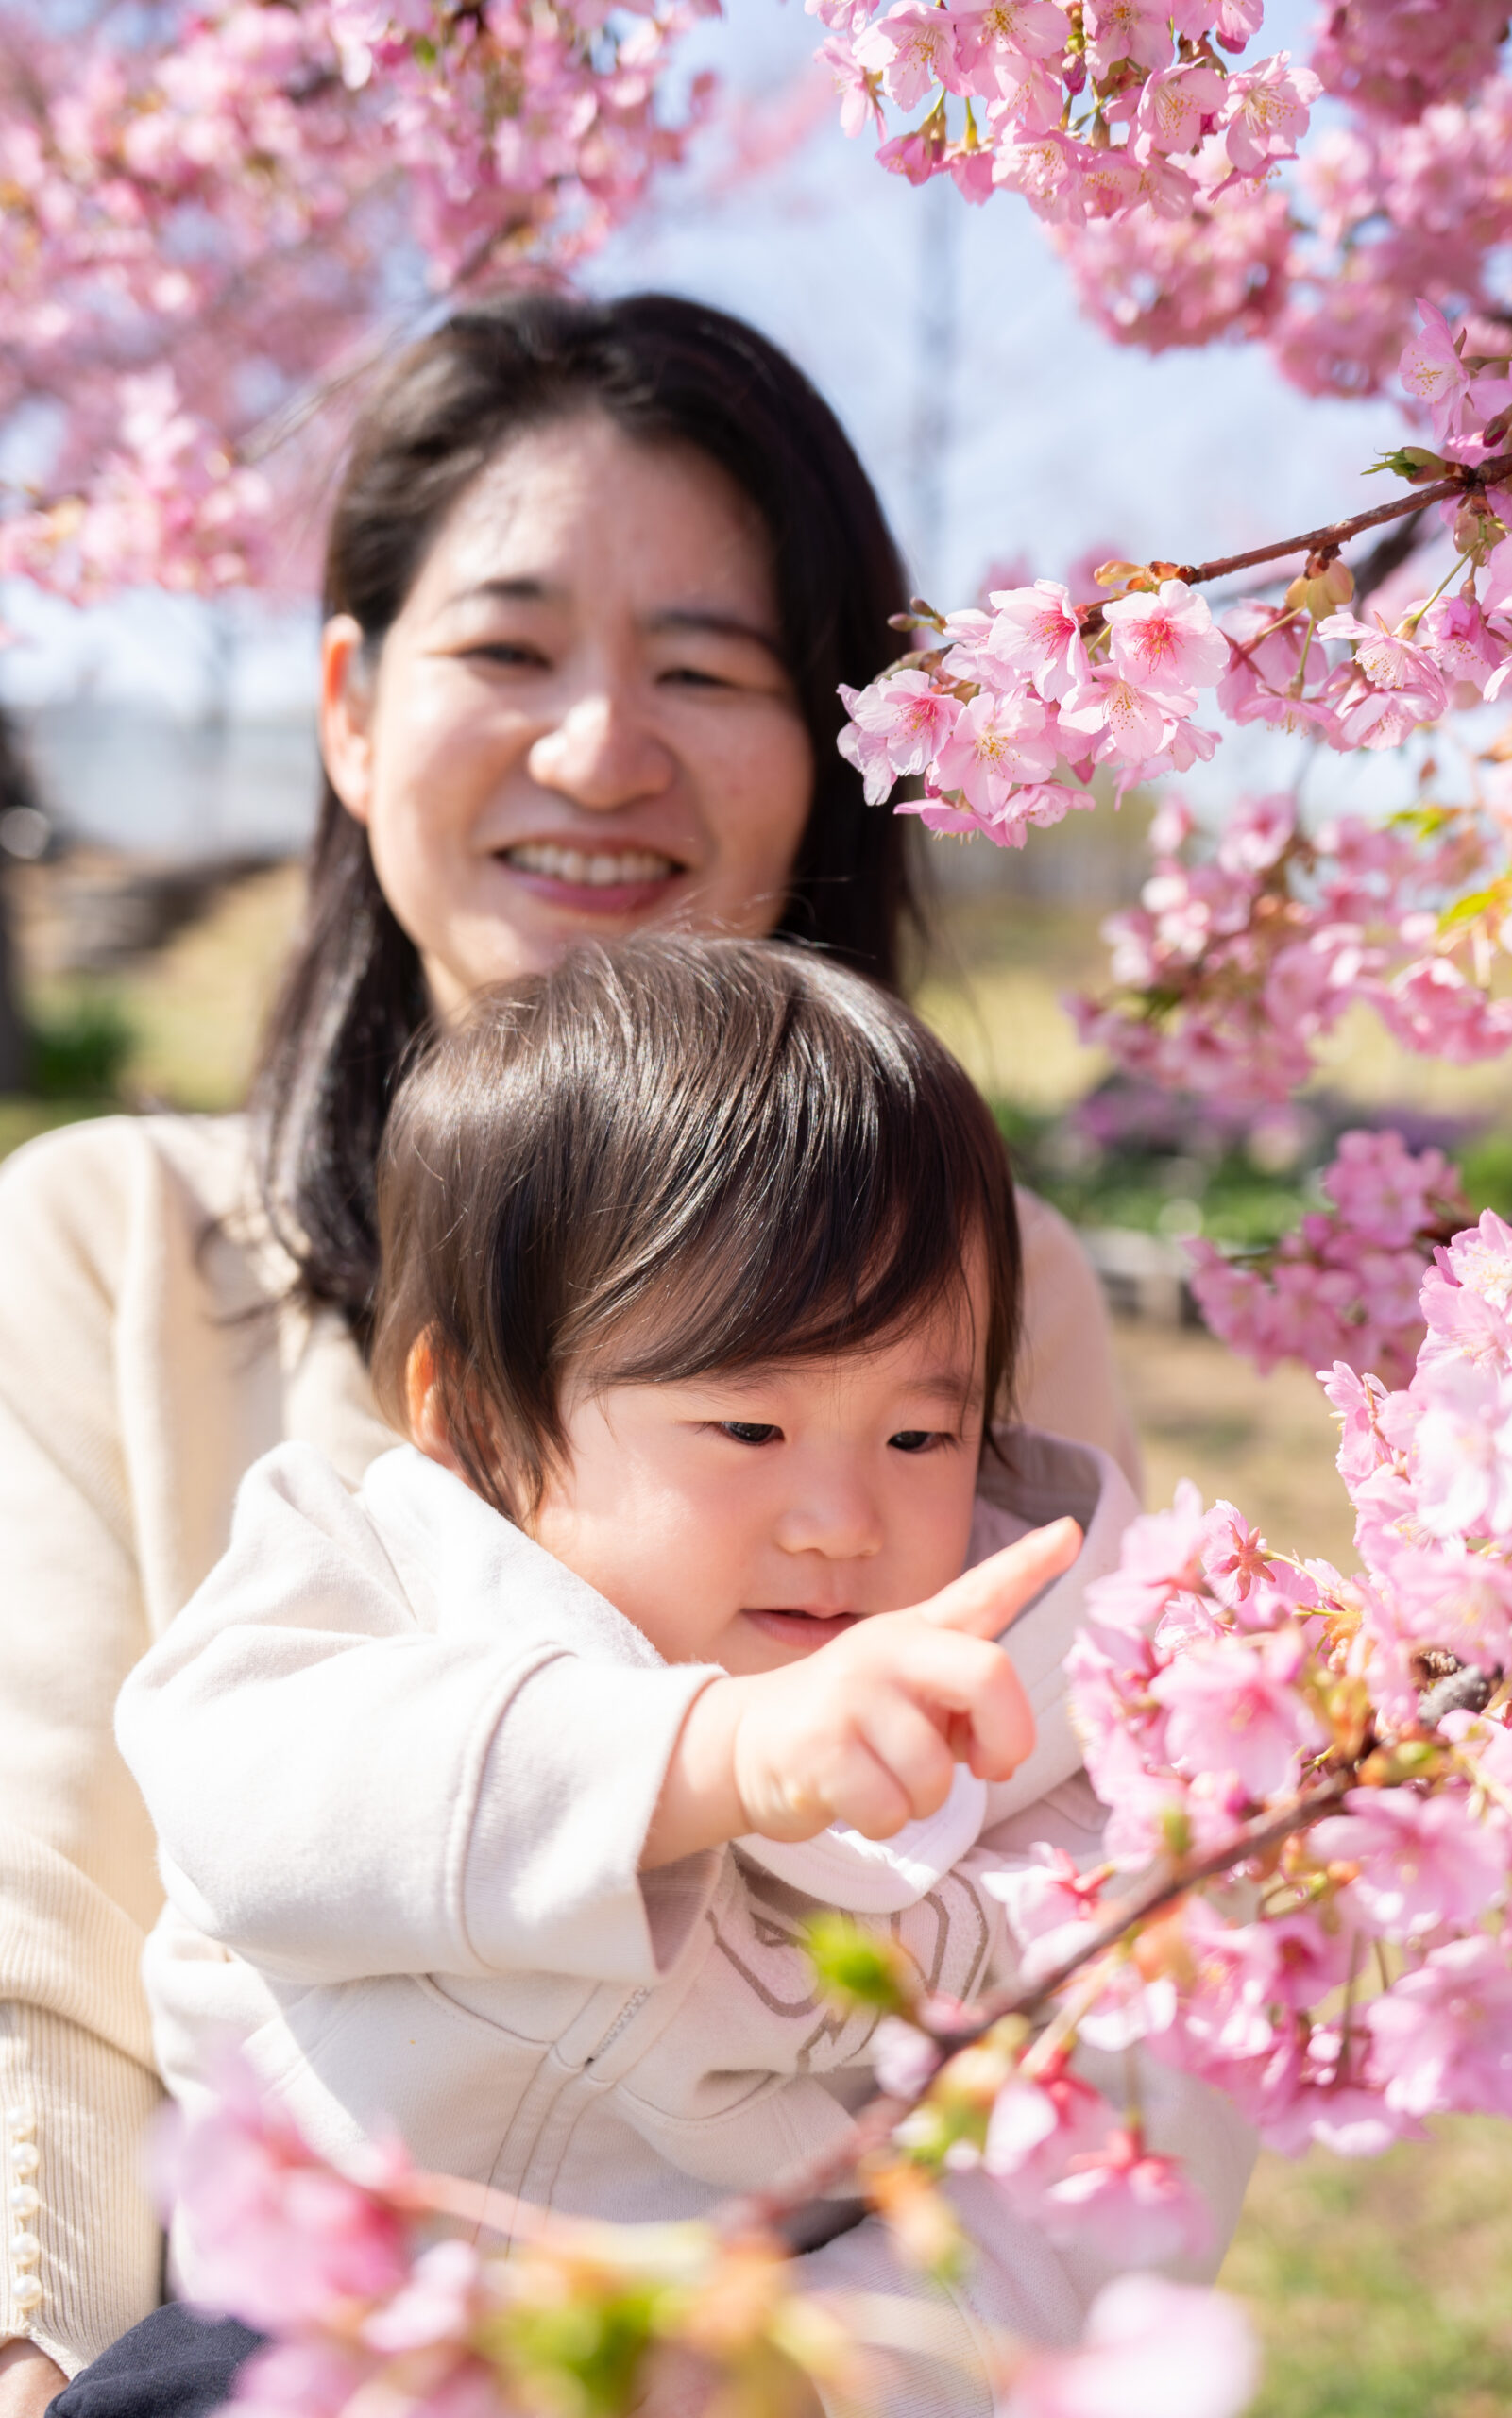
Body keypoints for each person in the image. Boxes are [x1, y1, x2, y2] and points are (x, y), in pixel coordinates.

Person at [0, 290, 1140, 2417]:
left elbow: (1103, 2002)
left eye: (707, 668)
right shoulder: (105, 1242)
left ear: (830, 747)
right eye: (507, 651)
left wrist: (806, 2373)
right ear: (348, 708)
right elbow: (35, 1920)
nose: (599, 748)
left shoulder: (1001, 1277)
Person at [102, 940, 1249, 2418]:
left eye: (917, 1439)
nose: (842, 1520)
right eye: (746, 1432)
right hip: (342, 2336)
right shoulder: (368, 1568)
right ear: (473, 1418)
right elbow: (248, 1802)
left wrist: (803, 2371)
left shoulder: (1058, 1680)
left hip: (784, 2354)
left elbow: (1114, 2161)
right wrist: (707, 1756)